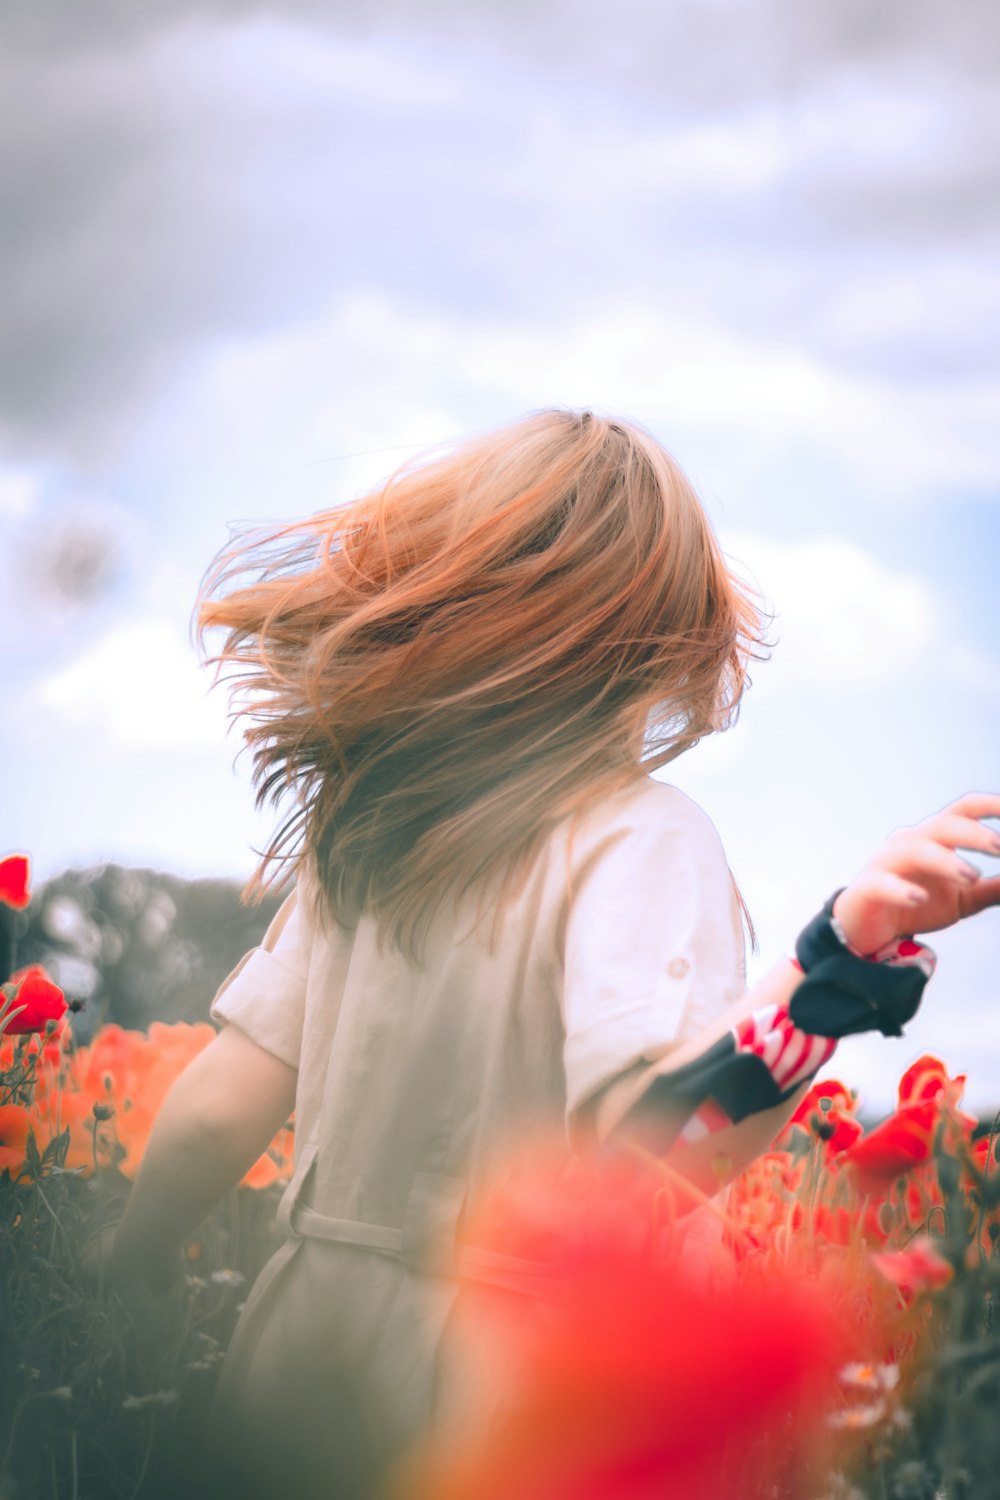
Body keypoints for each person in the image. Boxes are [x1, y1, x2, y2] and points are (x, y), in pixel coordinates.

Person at [104, 409, 1000, 1498]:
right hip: (511, 1387)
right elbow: (652, 1149)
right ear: (662, 645)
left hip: (296, 1354)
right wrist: (835, 969)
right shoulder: (640, 836)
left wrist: (133, 1261)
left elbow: (213, 1110)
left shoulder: (368, 840)